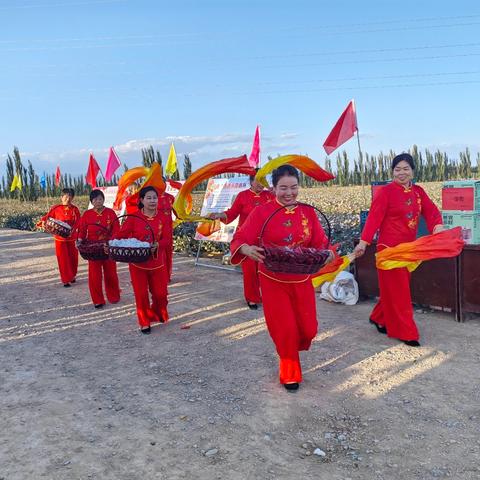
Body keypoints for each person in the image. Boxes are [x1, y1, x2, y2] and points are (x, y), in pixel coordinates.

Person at [230, 165, 331, 391]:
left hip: (301, 279)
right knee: (285, 330)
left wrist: (328, 253)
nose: (289, 193)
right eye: (283, 188)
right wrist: (245, 248)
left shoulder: (308, 213)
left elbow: (320, 242)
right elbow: (240, 237)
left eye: (294, 187)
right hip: (273, 279)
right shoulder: (262, 213)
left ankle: (293, 348)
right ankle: (290, 372)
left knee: (308, 329)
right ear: (273, 188)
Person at [353, 153, 444, 347]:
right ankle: (407, 332)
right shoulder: (385, 192)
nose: (401, 173)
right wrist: (363, 242)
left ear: (412, 171)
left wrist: (437, 225)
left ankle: (378, 317)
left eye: (405, 169)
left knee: (393, 289)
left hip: (408, 249)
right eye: (397, 169)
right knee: (400, 292)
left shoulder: (418, 192)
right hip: (389, 251)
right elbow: (373, 219)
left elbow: (431, 211)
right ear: (392, 171)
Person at [209, 172, 275, 309]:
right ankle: (252, 298)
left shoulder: (270, 195)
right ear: (251, 182)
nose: (261, 184)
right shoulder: (242, 196)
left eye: (263, 181)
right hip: (247, 239)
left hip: (266, 238)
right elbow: (231, 213)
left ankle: (266, 295)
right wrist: (219, 214)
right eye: (258, 181)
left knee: (265, 269)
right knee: (250, 270)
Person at [115, 186, 170, 334]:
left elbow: (167, 239)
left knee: (161, 294)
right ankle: (144, 321)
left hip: (157, 262)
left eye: (155, 198)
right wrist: (110, 243)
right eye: (149, 198)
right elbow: (121, 234)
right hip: (137, 263)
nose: (153, 201)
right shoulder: (134, 217)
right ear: (141, 200)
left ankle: (158, 313)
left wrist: (158, 244)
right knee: (141, 294)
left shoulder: (163, 217)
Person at [77, 189, 121, 309]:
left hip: (108, 247)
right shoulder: (87, 214)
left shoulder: (110, 213)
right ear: (91, 201)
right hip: (93, 249)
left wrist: (111, 242)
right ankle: (98, 300)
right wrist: (80, 240)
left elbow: (116, 229)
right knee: (94, 275)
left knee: (111, 273)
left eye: (100, 199)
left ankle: (113, 296)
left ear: (103, 200)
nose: (98, 201)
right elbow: (82, 230)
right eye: (95, 199)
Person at [38, 188, 80, 287]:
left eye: (70, 196)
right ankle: (65, 279)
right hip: (59, 239)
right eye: (65, 196)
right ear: (61, 197)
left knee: (73, 259)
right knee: (62, 259)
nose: (68, 198)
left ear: (73, 197)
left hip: (72, 238)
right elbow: (47, 217)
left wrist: (73, 230)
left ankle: (72, 275)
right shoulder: (55, 208)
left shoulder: (75, 209)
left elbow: (79, 222)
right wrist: (43, 222)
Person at [158, 186, 175, 281]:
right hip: (156, 229)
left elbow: (178, 211)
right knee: (158, 254)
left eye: (162, 183)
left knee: (168, 254)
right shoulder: (152, 197)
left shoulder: (170, 197)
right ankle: (158, 276)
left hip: (168, 230)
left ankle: (167, 276)